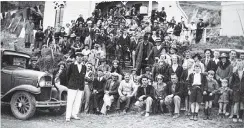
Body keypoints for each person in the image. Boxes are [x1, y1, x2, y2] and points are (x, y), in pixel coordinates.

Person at [66, 52, 86, 122]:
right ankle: (68, 116)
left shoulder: (84, 67)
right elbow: (67, 75)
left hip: (80, 87)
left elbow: (83, 77)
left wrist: (81, 86)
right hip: (72, 86)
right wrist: (70, 84)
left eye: (81, 56)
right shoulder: (72, 65)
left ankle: (74, 114)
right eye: (78, 56)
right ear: (76, 57)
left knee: (77, 101)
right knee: (70, 101)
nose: (80, 58)